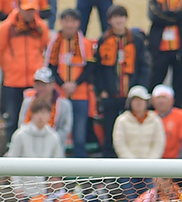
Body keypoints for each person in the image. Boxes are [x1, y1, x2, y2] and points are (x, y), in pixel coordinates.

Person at [94, 5, 149, 157]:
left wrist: (139, 88)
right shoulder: (103, 40)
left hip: (131, 95)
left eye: (121, 17)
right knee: (109, 130)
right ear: (109, 20)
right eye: (115, 17)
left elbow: (144, 66)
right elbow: (98, 69)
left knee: (130, 130)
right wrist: (102, 90)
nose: (118, 20)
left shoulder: (136, 41)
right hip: (110, 94)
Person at [0, 1, 49, 144]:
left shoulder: (41, 27)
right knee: (12, 119)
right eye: (27, 10)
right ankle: (12, 149)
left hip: (34, 82)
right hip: (13, 82)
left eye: (32, 10)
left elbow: (46, 49)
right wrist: (9, 68)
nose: (30, 14)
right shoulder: (6, 27)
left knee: (34, 118)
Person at [45, 8, 92, 157]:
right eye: (66, 21)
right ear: (61, 22)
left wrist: (74, 84)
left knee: (79, 136)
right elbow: (51, 67)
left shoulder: (85, 43)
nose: (69, 25)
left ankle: (81, 168)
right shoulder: (54, 42)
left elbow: (90, 68)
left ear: (78, 23)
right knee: (58, 132)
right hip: (60, 95)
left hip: (80, 95)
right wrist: (63, 84)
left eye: (73, 21)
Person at [7, 98, 63, 202]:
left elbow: (58, 164)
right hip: (24, 192)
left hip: (46, 194)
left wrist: (54, 182)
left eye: (44, 112)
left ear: (50, 115)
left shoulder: (54, 137)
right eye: (37, 112)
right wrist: (17, 187)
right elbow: (12, 162)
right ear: (32, 114)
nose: (40, 116)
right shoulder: (20, 135)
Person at [148, 0, 182, 105]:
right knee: (155, 81)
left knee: (179, 85)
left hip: (180, 48)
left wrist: (166, 16)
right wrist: (176, 18)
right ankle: (151, 109)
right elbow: (155, 16)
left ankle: (177, 110)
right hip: (159, 48)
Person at [18, 66, 73, 148]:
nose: (40, 88)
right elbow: (22, 125)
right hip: (30, 145)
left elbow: (65, 129)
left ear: (52, 85)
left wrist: (49, 141)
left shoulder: (64, 105)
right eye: (38, 85)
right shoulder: (28, 102)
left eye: (44, 85)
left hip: (54, 146)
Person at [112, 85, 165, 160]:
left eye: (141, 100)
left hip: (151, 164)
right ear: (130, 102)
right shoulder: (122, 120)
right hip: (128, 164)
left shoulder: (155, 120)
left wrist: (150, 161)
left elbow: (159, 144)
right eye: (135, 100)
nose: (138, 103)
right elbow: (119, 144)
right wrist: (132, 162)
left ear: (146, 102)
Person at [152, 84, 182, 159]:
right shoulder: (150, 117)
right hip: (154, 160)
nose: (161, 101)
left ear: (172, 100)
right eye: (158, 98)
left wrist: (180, 161)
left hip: (174, 160)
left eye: (164, 98)